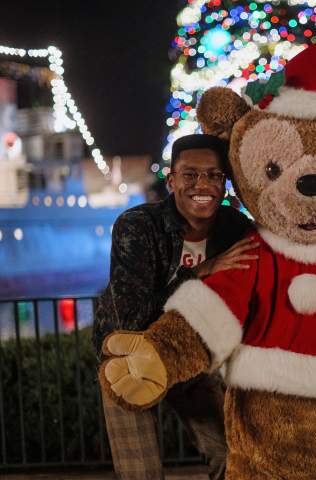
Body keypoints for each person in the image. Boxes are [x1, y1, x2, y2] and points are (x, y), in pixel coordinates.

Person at [92, 134, 256, 480]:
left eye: (214, 175)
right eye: (190, 174)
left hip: (192, 355)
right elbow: (131, 317)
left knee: (235, 456)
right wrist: (200, 272)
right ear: (172, 181)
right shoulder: (137, 226)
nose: (203, 185)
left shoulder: (235, 228)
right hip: (129, 360)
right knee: (142, 473)